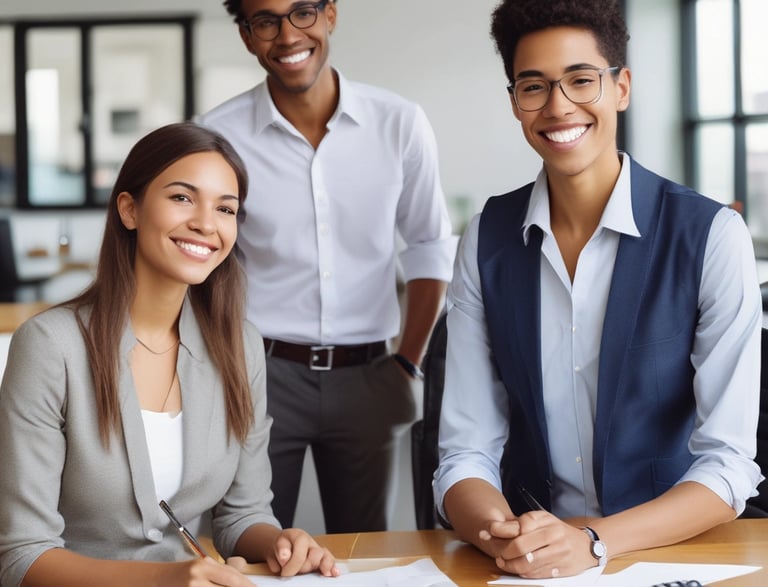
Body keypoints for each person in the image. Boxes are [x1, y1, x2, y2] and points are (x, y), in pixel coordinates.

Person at [433, 0, 764, 580]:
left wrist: (591, 541)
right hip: (529, 563)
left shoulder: (711, 235)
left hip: (669, 556)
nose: (558, 107)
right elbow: (465, 451)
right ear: (514, 101)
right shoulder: (486, 238)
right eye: (533, 86)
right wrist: (506, 536)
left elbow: (729, 466)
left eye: (582, 80)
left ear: (622, 87)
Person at [0, 122, 338, 587]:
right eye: (182, 198)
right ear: (130, 209)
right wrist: (163, 578)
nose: (206, 222)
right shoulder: (50, 346)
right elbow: (23, 555)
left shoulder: (240, 347)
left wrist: (280, 542)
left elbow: (243, 515)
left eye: (226, 208)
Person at [198, 0, 456, 533]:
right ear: (247, 36)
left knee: (364, 552)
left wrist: (408, 362)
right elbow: (206, 263)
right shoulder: (219, 136)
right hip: (259, 376)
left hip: (372, 375)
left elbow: (430, 244)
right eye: (266, 21)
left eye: (303, 12)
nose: (288, 34)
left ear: (330, 14)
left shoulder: (399, 123)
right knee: (246, 542)